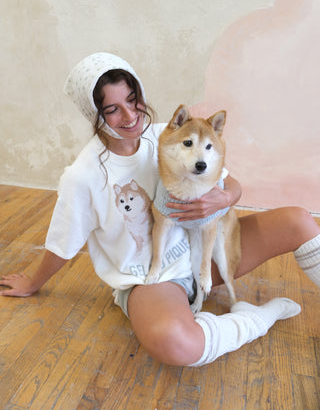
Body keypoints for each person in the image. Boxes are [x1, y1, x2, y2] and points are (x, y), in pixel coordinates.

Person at [1, 52, 319, 367]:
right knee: (177, 344)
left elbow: (229, 183)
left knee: (300, 221)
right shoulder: (83, 175)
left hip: (207, 259)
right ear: (95, 114)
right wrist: (32, 283)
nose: (129, 116)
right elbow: (63, 242)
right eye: (112, 109)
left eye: (133, 99)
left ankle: (209, 301)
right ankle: (258, 318)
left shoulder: (169, 133)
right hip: (154, 281)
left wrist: (225, 199)